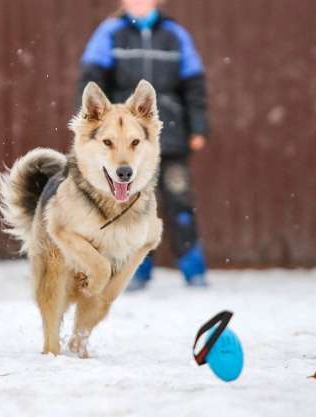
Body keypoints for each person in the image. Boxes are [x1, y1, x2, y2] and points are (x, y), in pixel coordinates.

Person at [77, 0, 209, 289]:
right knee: (129, 205)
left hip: (171, 136)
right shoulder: (109, 33)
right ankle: (135, 271)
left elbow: (194, 83)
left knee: (179, 201)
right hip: (124, 141)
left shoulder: (175, 33)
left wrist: (198, 126)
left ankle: (193, 268)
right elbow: (91, 80)